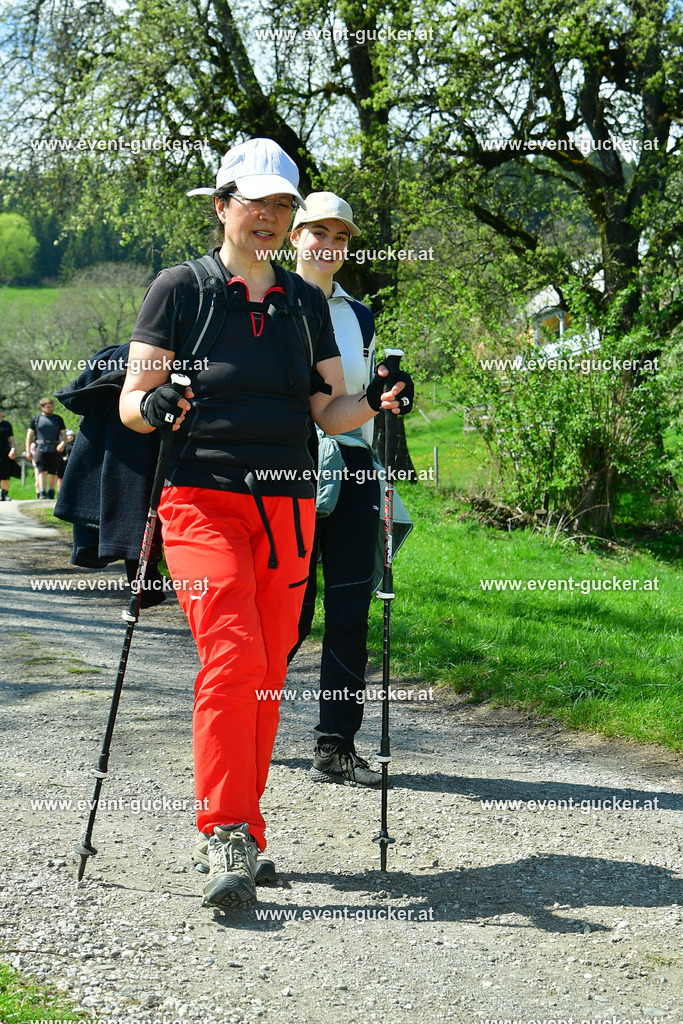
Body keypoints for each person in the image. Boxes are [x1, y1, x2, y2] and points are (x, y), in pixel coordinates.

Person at [119, 138, 413, 910]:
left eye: (284, 207)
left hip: (286, 509)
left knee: (268, 671)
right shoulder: (179, 290)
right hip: (200, 500)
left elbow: (328, 410)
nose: (272, 219)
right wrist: (153, 405)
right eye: (258, 204)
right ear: (222, 207)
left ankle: (245, 830)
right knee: (233, 655)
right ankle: (223, 831)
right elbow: (133, 401)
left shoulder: (305, 303)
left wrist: (375, 401)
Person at [286, 192, 411, 787]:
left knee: (349, 610)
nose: (327, 244)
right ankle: (242, 727)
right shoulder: (269, 298)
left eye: (339, 236)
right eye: (316, 232)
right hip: (286, 472)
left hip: (356, 466)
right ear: (294, 236)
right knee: (287, 613)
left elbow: (356, 400)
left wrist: (390, 395)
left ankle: (335, 743)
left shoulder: (358, 315)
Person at [26, 397, 66, 499]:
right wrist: (28, 451)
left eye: (51, 407)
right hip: (40, 448)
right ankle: (42, 492)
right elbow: (29, 435)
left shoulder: (58, 419)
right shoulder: (36, 419)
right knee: (42, 471)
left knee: (53, 473)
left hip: (54, 448)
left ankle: (51, 492)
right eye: (48, 407)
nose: (50, 408)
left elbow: (63, 434)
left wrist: (62, 443)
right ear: (42, 408)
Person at [0, 406, 19, 500]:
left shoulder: (7, 425)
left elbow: (11, 439)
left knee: (5, 475)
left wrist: (13, 449)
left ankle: (5, 494)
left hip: (5, 453)